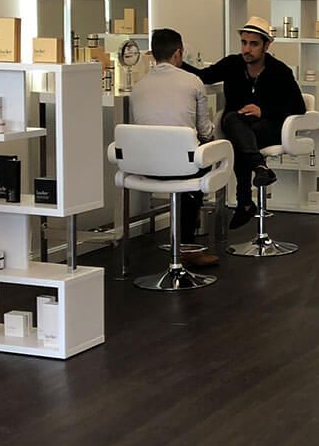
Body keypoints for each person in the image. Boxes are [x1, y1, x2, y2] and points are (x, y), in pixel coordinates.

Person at [183, 16, 306, 231]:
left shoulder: (280, 71)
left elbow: (298, 107)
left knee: (236, 134)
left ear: (267, 45)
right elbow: (204, 76)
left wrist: (263, 111)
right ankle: (258, 170)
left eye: (254, 44)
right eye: (244, 42)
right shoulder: (232, 64)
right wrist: (174, 63)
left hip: (268, 128)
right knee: (233, 122)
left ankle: (245, 201)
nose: (247, 49)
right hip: (239, 126)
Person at [131, 28, 219, 268]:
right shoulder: (193, 82)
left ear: (153, 54)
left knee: (189, 158)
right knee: (205, 156)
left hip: (145, 167)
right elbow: (205, 130)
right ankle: (188, 248)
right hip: (182, 168)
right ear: (179, 53)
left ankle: (179, 247)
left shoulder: (138, 86)